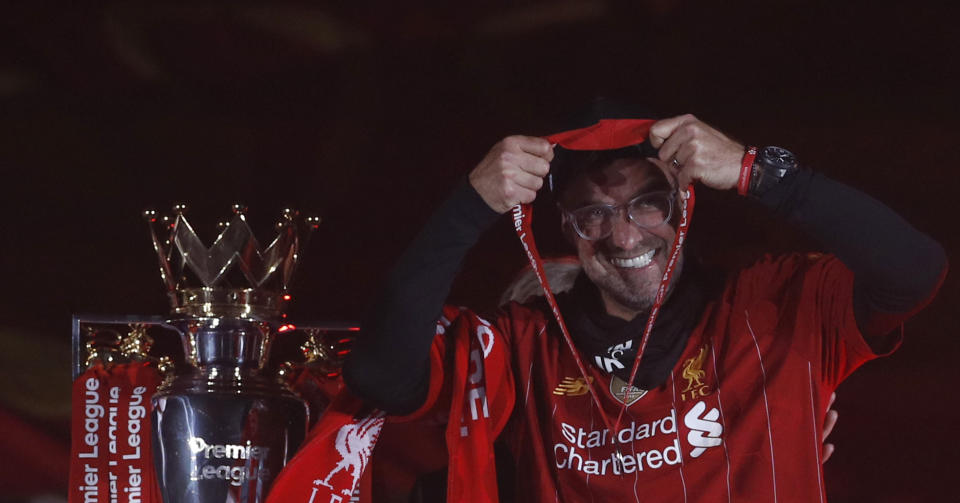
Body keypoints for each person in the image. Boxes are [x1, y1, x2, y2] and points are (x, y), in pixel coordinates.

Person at [341, 106, 947, 502]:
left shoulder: (774, 309)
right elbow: (382, 377)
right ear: (568, 229)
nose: (625, 237)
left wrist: (756, 172)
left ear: (685, 205)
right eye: (594, 213)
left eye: (647, 204)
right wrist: (469, 206)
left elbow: (914, 271)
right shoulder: (527, 344)